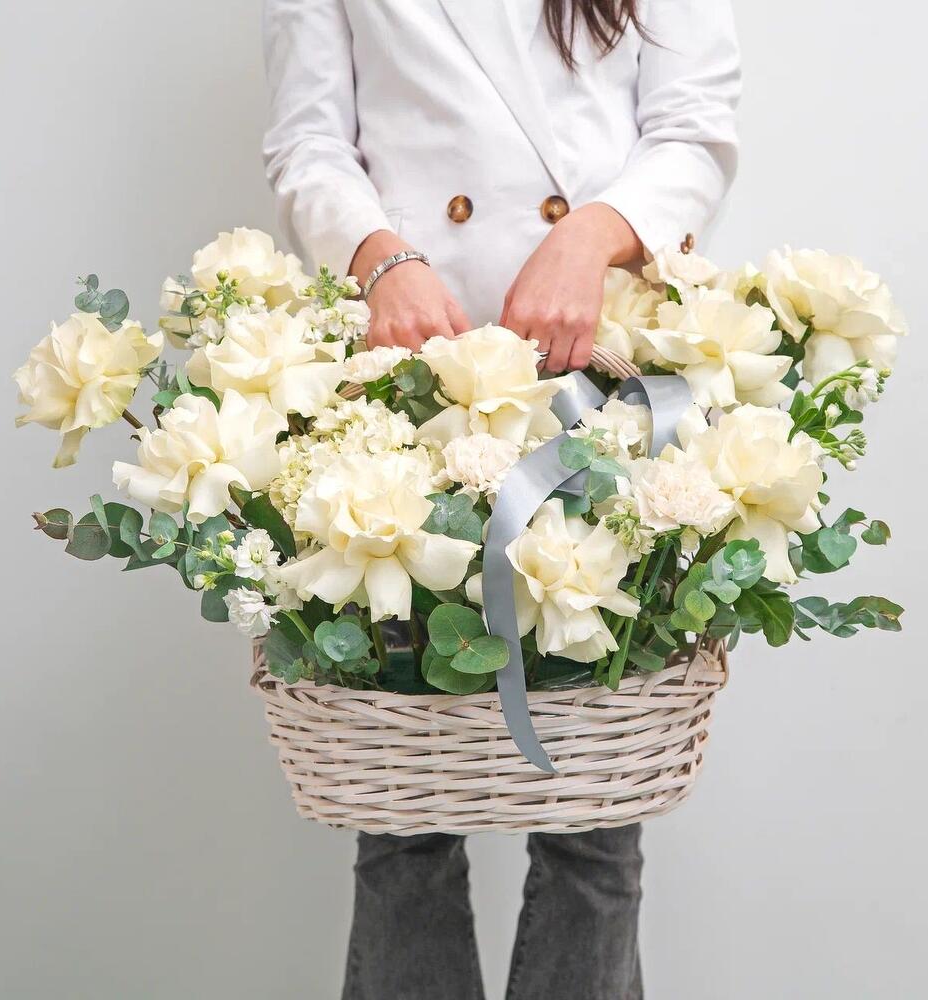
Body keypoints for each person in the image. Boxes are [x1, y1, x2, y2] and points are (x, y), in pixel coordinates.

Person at [262, 1, 740, 996]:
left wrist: (590, 238)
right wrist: (381, 260)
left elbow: (693, 126)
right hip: (404, 375)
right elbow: (309, 140)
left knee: (596, 817)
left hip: (597, 359)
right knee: (401, 817)